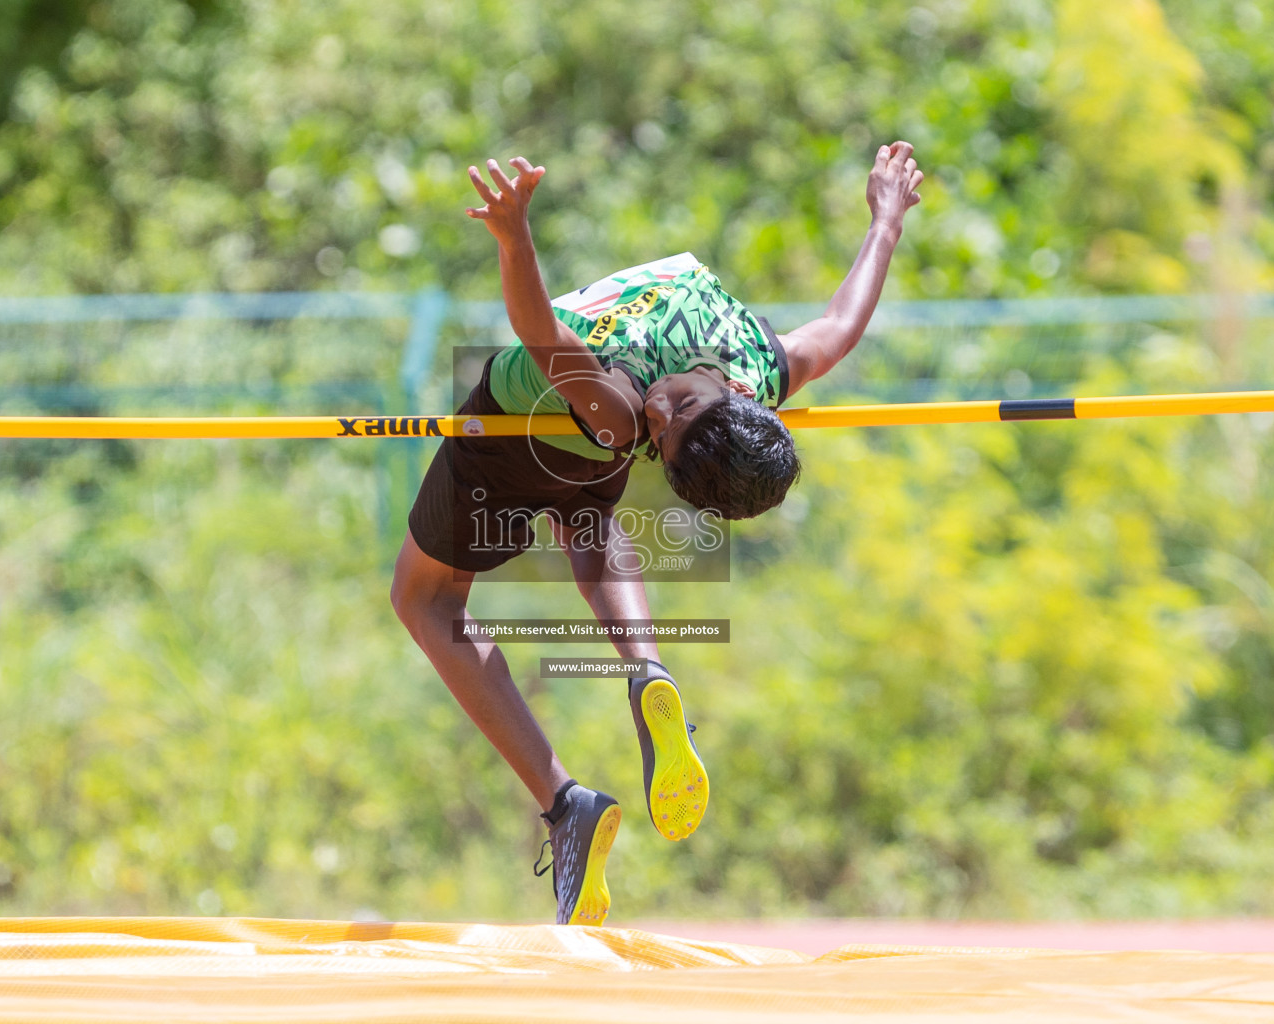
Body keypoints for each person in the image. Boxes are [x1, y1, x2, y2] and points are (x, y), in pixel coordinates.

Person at [390, 143, 923, 925]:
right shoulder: (760, 369)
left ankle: (565, 801)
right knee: (588, 512)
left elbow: (544, 337)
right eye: (677, 410)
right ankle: (645, 671)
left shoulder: (623, 410)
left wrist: (514, 237)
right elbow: (838, 328)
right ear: (744, 400)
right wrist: (884, 221)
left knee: (424, 599)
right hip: (580, 438)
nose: (657, 412)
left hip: (525, 422)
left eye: (660, 433)